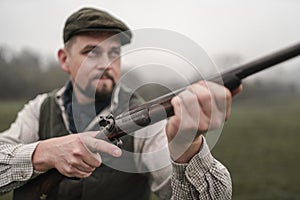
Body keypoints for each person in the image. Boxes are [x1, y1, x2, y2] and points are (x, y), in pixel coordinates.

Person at [0, 7, 242, 200]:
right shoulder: (40, 109)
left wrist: (186, 148)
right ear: (64, 59)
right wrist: (44, 153)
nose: (106, 63)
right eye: (91, 52)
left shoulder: (146, 118)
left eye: (113, 53)